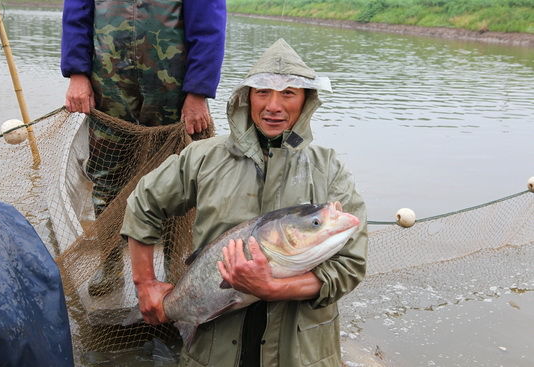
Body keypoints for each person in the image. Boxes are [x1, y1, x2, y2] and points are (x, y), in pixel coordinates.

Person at [121, 39, 368, 366]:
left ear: (306, 101)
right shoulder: (203, 156)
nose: (274, 106)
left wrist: (272, 288)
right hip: (214, 348)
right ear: (246, 98)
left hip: (301, 351)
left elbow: (350, 266)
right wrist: (145, 283)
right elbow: (143, 203)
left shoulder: (329, 168)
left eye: (289, 93)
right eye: (262, 92)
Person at [60, 0, 226, 295]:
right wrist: (77, 73)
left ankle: (175, 269)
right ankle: (110, 266)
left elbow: (209, 26)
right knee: (105, 175)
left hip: (170, 89)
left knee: (179, 179)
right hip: (106, 84)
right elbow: (77, 14)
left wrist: (198, 91)